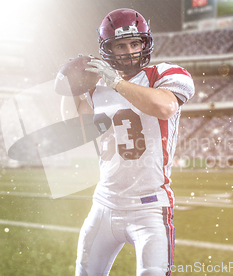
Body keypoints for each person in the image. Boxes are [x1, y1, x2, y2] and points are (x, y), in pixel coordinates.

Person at [74, 8, 195, 276]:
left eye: (134, 43)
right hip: (104, 203)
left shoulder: (165, 73)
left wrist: (116, 82)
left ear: (145, 43)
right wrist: (71, 89)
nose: (129, 51)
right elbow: (78, 127)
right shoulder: (98, 87)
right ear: (109, 49)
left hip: (149, 207)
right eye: (120, 45)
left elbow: (164, 107)